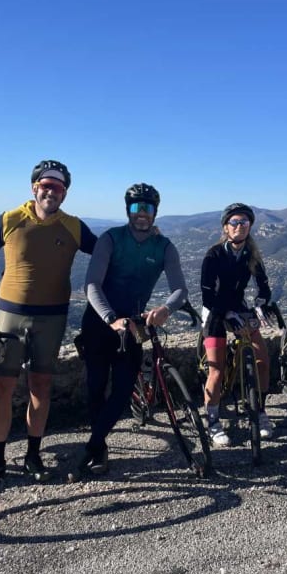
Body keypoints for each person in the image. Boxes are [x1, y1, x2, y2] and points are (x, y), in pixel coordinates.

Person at [0, 159, 97, 483]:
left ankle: (34, 454)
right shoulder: (10, 219)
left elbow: (104, 251)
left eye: (58, 188)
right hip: (11, 315)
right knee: (1, 387)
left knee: (40, 386)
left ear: (64, 194)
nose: (51, 191)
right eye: (46, 186)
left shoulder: (73, 226)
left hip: (52, 316)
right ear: (35, 188)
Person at [77, 183, 188, 476]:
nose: (142, 214)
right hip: (100, 321)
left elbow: (180, 289)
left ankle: (92, 444)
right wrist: (110, 317)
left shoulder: (163, 247)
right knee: (96, 386)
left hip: (133, 324)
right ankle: (99, 448)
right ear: (128, 210)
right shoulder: (111, 239)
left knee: (125, 387)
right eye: (137, 208)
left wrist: (166, 309)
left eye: (147, 208)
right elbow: (92, 284)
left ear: (155, 213)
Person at [200, 203, 274, 446]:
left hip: (239, 307)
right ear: (226, 227)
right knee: (217, 370)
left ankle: (260, 411)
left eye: (244, 222)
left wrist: (261, 305)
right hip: (215, 311)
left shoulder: (251, 254)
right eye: (234, 222)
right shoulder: (214, 254)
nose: (239, 226)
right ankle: (212, 421)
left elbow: (263, 288)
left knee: (263, 360)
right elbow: (207, 296)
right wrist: (227, 313)